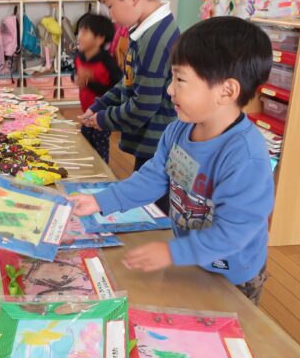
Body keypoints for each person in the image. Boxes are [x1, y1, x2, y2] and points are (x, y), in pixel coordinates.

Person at [69, 16, 274, 305]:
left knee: (226, 321)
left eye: (180, 80)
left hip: (233, 272)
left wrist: (171, 252)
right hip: (190, 255)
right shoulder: (179, 130)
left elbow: (233, 233)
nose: (169, 89)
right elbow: (153, 177)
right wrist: (100, 201)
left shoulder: (245, 156)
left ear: (226, 91)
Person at [79, 0, 180, 213]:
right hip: (150, 144)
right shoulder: (144, 31)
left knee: (154, 212)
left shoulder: (155, 40)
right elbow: (128, 81)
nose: (111, 16)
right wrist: (101, 104)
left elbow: (143, 105)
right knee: (145, 202)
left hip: (156, 146)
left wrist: (104, 119)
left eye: (110, 6)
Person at [73, 14, 122, 163]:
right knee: (85, 142)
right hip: (86, 111)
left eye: (84, 32)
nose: (79, 36)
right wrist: (76, 78)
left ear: (99, 39)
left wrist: (89, 82)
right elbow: (74, 74)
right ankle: (87, 168)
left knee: (100, 146)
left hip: (103, 115)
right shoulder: (79, 56)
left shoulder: (108, 62)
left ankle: (102, 171)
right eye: (79, 31)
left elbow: (116, 89)